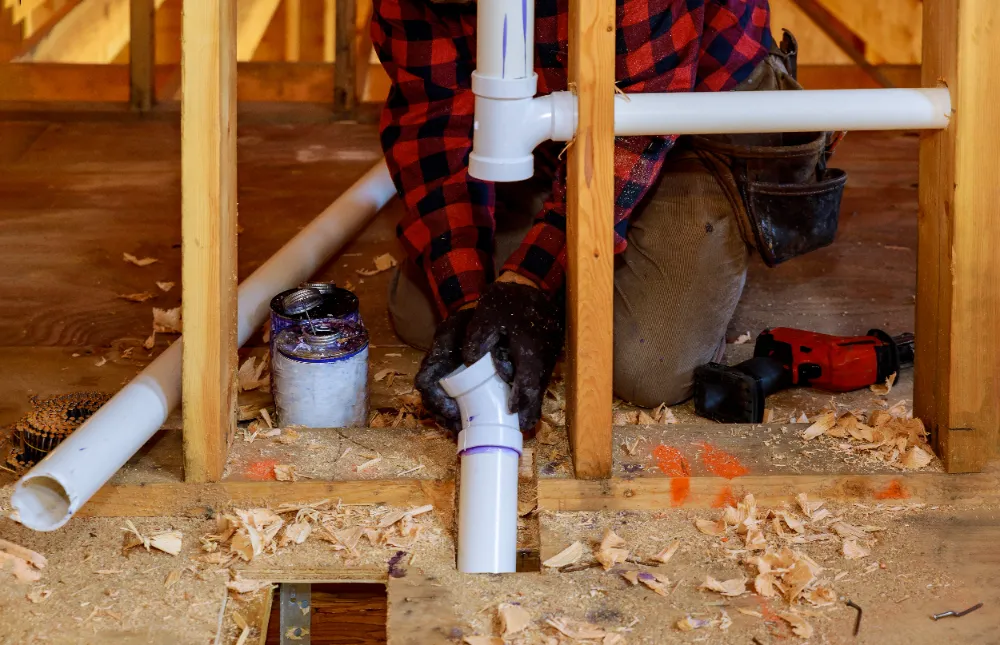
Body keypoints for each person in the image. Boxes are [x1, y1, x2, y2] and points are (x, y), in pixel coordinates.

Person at [371, 0, 845, 433]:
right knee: (423, 315)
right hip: (548, 106)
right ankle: (564, 225)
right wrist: (470, 303)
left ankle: (576, 238)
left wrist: (529, 282)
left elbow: (629, 133)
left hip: (689, 102)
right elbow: (432, 125)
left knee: (651, 369)